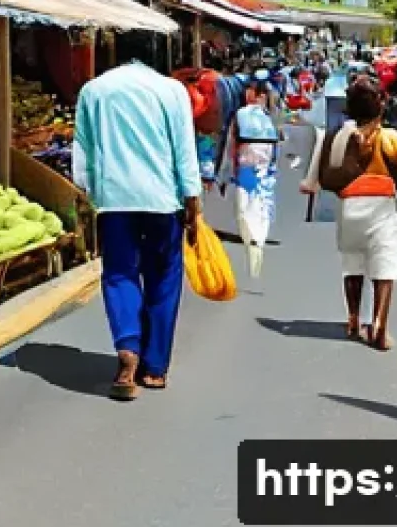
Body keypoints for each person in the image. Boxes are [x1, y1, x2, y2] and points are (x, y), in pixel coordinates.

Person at [72, 53, 201, 400]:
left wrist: (85, 198)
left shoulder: (93, 91)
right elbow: (184, 150)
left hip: (113, 200)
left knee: (119, 274)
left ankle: (128, 350)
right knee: (164, 275)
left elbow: (82, 152)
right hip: (163, 200)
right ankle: (155, 368)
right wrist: (193, 202)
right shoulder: (172, 90)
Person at [310, 77, 397, 350]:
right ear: (380, 106)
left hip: (349, 206)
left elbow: (328, 175)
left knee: (352, 262)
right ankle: (379, 326)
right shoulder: (389, 137)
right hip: (380, 206)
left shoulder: (339, 136)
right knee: (385, 264)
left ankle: (353, 319)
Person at [217, 79, 283, 277]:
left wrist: (225, 172)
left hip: (246, 154)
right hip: (265, 153)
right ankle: (259, 232)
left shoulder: (241, 113)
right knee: (262, 193)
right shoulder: (269, 114)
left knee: (245, 194)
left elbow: (232, 142)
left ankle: (251, 233)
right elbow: (277, 140)